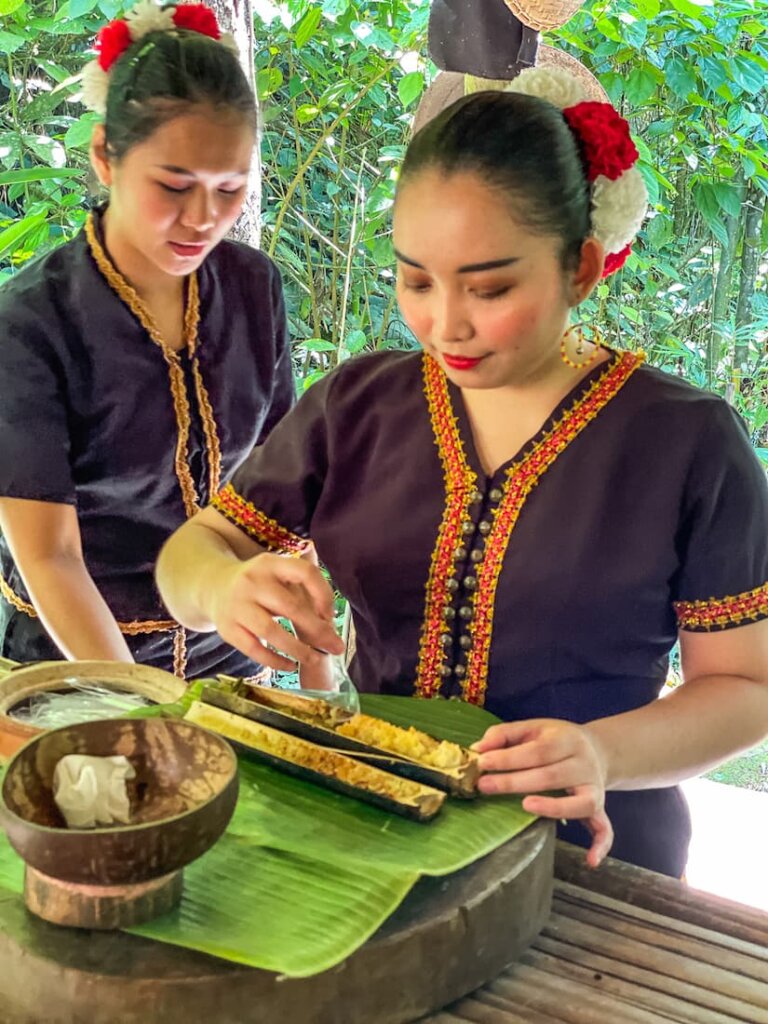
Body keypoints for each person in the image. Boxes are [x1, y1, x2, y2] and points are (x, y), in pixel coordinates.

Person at [155, 67, 768, 876]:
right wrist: (225, 588)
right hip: (368, 835)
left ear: (582, 268)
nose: (445, 324)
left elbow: (747, 688)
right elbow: (191, 554)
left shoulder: (685, 441)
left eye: (491, 288)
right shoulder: (359, 405)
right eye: (416, 280)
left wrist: (601, 753)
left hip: (586, 854)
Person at [0, 2, 293, 679]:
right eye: (174, 185)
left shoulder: (253, 288)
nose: (203, 218)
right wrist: (141, 701)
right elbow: (51, 557)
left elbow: (279, 487)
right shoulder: (30, 325)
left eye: (230, 188)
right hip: (77, 671)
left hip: (232, 663)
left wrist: (307, 664)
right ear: (105, 155)